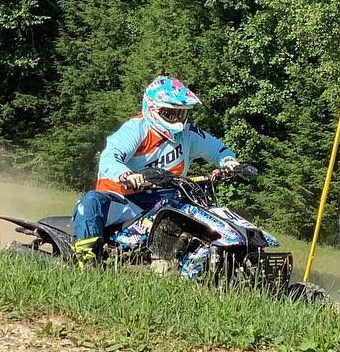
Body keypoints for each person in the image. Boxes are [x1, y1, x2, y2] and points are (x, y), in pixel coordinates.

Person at [71, 76, 244, 264]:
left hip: (165, 199)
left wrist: (230, 164)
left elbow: (218, 150)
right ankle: (88, 261)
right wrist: (127, 175)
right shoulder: (136, 129)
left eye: (182, 113)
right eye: (170, 113)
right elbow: (110, 157)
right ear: (153, 109)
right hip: (123, 200)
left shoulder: (188, 134)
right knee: (89, 201)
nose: (178, 120)